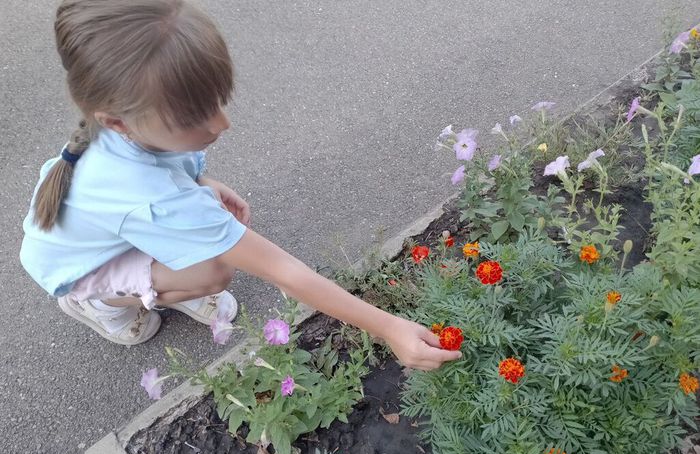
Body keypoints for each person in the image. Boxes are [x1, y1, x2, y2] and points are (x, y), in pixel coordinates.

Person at [20, 0, 461, 371]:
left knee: (209, 258)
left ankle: (152, 278)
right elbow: (285, 272)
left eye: (218, 102)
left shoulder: (124, 127)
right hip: (78, 267)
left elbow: (162, 175)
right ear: (117, 121)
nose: (222, 124)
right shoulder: (152, 197)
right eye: (196, 117)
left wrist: (201, 182)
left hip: (104, 228)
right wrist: (390, 329)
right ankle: (101, 304)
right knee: (215, 272)